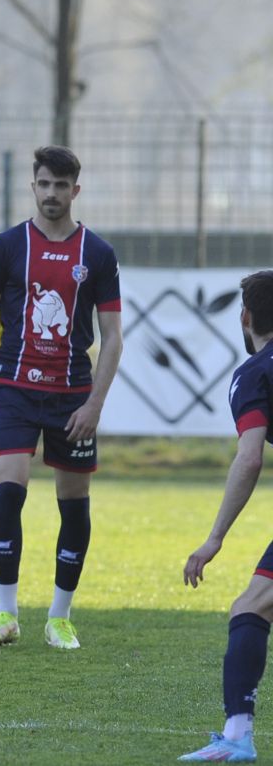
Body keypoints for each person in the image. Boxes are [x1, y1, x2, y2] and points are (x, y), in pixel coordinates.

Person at [0, 145, 123, 649]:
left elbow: (113, 337)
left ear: (76, 190)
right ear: (32, 186)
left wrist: (94, 405)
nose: (52, 193)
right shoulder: (8, 247)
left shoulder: (97, 253)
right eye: (44, 184)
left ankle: (59, 616)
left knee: (73, 504)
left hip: (72, 396)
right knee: (9, 491)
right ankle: (7, 613)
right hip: (13, 389)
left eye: (61, 185)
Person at [178, 270, 273, 763]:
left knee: (249, 609)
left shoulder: (254, 373)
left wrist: (214, 537)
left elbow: (250, 457)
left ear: (245, 317)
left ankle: (237, 737)